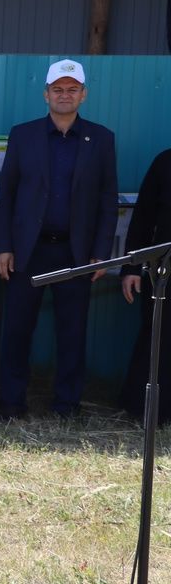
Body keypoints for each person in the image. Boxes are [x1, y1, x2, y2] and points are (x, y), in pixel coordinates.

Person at [0, 59, 118, 421]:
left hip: (76, 254)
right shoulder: (24, 135)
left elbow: (108, 200)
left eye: (72, 89)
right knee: (16, 330)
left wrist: (100, 254)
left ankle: (67, 405)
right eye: (58, 89)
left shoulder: (102, 138)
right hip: (26, 253)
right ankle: (12, 403)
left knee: (72, 332)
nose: (65, 95)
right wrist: (2, 247)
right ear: (46, 94)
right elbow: (8, 195)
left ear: (84, 94)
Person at [119, 147, 171, 424]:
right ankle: (145, 410)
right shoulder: (165, 161)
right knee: (157, 338)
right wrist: (131, 267)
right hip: (163, 270)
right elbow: (143, 218)